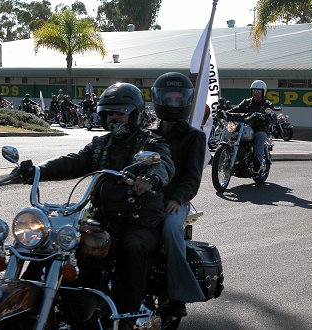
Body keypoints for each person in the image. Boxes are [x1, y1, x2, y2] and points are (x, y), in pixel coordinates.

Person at [20, 83, 175, 330]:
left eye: (120, 112)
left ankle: (126, 317)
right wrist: (38, 169)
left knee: (132, 247)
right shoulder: (101, 144)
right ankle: (53, 301)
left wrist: (151, 178)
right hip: (103, 219)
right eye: (109, 113)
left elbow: (163, 164)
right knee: (56, 241)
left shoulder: (152, 142)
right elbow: (73, 162)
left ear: (134, 114)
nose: (114, 117)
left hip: (140, 222)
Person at [151, 72, 207, 319]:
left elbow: (193, 177)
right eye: (168, 98)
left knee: (172, 229)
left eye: (177, 99)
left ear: (185, 101)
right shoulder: (148, 135)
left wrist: (177, 199)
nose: (173, 103)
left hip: (175, 202)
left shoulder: (195, 137)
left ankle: (178, 295)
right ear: (158, 99)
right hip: (147, 200)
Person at [224, 80, 274, 172]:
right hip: (245, 127)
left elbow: (270, 113)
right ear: (251, 91)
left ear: (263, 92)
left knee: (259, 137)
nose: (256, 93)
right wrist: (224, 113)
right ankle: (233, 158)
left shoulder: (267, 104)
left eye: (259, 91)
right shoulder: (246, 102)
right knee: (233, 133)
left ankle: (257, 163)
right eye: (254, 91)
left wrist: (266, 116)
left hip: (260, 129)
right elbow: (236, 109)